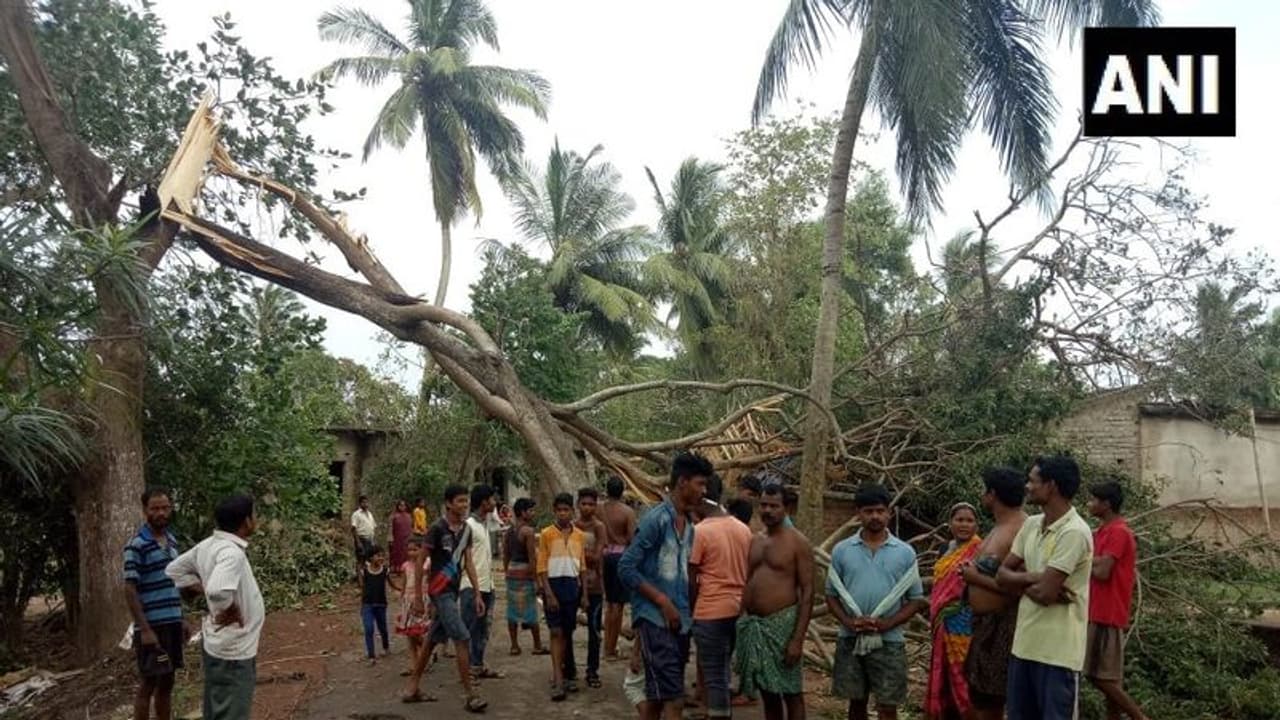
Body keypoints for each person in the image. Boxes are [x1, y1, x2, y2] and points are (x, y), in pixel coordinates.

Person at [996, 456, 1093, 720]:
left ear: (1051, 486)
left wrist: (1024, 580)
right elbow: (1001, 575)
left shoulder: (1074, 532)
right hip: (1024, 647)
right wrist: (1038, 576)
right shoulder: (1030, 524)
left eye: (1033, 481)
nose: (1027, 486)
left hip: (1058, 655)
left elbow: (1045, 594)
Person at [618, 451, 711, 720]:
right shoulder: (656, 520)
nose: (703, 491)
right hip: (654, 621)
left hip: (678, 623)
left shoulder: (690, 527)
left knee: (657, 698)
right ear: (682, 482)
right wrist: (662, 601)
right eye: (700, 484)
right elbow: (626, 567)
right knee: (674, 699)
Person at [826, 484, 926, 720]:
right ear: (858, 513)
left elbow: (915, 600)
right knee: (856, 702)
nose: (875, 516)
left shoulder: (905, 552)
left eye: (880, 511)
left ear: (889, 513)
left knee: (888, 705)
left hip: (889, 641)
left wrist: (887, 623)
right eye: (868, 511)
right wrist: (848, 623)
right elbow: (831, 595)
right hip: (851, 638)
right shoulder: (842, 550)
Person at [165, 494, 264, 720]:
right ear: (246, 521)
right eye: (254, 515)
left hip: (222, 645)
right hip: (233, 651)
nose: (256, 520)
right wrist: (227, 608)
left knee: (217, 708)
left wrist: (200, 587)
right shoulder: (231, 553)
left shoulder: (209, 546)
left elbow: (173, 570)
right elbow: (218, 591)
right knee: (231, 712)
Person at [403, 484, 488, 712]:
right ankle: (470, 694)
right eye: (460, 501)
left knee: (431, 641)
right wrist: (420, 597)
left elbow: (468, 562)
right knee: (462, 637)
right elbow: (421, 561)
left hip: (453, 589)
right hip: (439, 591)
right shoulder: (437, 528)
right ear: (449, 503)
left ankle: (412, 687)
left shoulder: (466, 531)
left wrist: (477, 593)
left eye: (466, 501)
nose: (464, 505)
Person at [735, 484, 813, 720]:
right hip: (755, 626)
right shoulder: (755, 540)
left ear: (786, 508)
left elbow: (808, 591)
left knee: (791, 692)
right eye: (764, 505)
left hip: (783, 627)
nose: (767, 510)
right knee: (768, 692)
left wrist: (797, 639)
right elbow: (746, 580)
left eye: (774, 506)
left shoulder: (798, 542)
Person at [960, 467, 1028, 720]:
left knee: (991, 704)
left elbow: (1020, 587)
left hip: (1004, 627)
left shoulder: (1022, 529)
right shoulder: (999, 527)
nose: (981, 495)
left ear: (993, 494)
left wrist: (975, 578)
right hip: (984, 627)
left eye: (984, 490)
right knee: (979, 701)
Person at [690, 477, 753, 719]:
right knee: (723, 670)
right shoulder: (743, 529)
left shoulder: (701, 531)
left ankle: (717, 714)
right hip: (736, 609)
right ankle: (717, 712)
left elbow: (691, 576)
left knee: (714, 675)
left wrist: (692, 609)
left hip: (709, 609)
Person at [1085, 481, 1147, 720]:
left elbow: (1102, 572)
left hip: (1107, 611)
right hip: (1097, 608)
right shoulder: (1100, 532)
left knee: (1098, 675)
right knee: (1110, 677)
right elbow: (1098, 564)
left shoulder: (1119, 532)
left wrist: (1083, 562)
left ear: (1106, 504)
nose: (1089, 504)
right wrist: (1095, 561)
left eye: (1093, 500)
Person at [125, 488, 184, 720]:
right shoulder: (136, 545)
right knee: (149, 682)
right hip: (152, 626)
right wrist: (145, 630)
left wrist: (182, 618)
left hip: (172, 622)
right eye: (155, 508)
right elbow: (129, 589)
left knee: (168, 680)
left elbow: (175, 583)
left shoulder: (171, 541)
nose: (160, 513)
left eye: (165, 508)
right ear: (145, 510)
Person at [923, 503, 982, 720]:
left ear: (977, 525)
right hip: (942, 622)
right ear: (950, 523)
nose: (964, 525)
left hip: (966, 623)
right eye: (959, 520)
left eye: (969, 520)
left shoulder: (981, 550)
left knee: (964, 679)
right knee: (945, 679)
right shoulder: (944, 549)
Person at [538, 492, 587, 701]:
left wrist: (584, 594)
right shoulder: (546, 534)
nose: (563, 513)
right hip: (554, 586)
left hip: (572, 587)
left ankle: (567, 674)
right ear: (554, 511)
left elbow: (582, 566)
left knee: (566, 632)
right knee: (556, 632)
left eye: (566, 510)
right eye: (559, 510)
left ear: (572, 511)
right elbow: (541, 566)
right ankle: (558, 680)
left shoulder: (579, 535)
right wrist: (548, 593)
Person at [461, 484, 504, 682]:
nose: (495, 503)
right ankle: (469, 668)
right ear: (484, 502)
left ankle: (477, 665)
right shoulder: (468, 526)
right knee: (471, 627)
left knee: (483, 628)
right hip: (471, 586)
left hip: (487, 584)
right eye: (492, 500)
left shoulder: (484, 524)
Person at [503, 498, 546, 656]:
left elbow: (506, 554)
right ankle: (537, 645)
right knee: (531, 610)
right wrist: (536, 580)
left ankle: (514, 645)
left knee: (512, 610)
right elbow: (532, 558)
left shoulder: (509, 531)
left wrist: (507, 572)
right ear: (523, 512)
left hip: (513, 571)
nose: (533, 513)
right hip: (525, 571)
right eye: (531, 510)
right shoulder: (527, 531)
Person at [601, 474, 638, 661]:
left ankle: (607, 645)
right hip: (620, 558)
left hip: (603, 557)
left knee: (609, 604)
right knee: (618, 605)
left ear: (607, 490)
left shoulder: (599, 510)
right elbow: (632, 539)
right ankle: (611, 648)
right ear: (622, 491)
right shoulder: (627, 512)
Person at [575, 486, 608, 688]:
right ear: (578, 505)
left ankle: (592, 671)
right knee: (566, 627)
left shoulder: (599, 527)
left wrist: (579, 555)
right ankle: (567, 669)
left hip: (594, 583)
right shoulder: (572, 525)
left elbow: (597, 556)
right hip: (573, 583)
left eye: (591, 504)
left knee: (594, 631)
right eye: (584, 504)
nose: (587, 507)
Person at [393, 537, 430, 674]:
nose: (411, 553)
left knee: (419, 631)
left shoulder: (427, 565)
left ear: (422, 549)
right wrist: (402, 598)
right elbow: (404, 584)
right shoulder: (406, 566)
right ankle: (414, 663)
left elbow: (430, 582)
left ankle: (425, 656)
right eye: (409, 550)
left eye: (415, 549)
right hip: (408, 600)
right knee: (409, 634)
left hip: (421, 600)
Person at [360, 545, 391, 664]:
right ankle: (371, 655)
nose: (381, 558)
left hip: (381, 604)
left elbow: (391, 584)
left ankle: (386, 647)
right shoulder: (364, 571)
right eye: (378, 555)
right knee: (369, 629)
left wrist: (403, 590)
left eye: (382, 555)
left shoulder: (385, 570)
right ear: (371, 558)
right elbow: (363, 588)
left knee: (383, 627)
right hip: (367, 604)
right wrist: (361, 606)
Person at [351, 495, 377, 578]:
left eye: (366, 502)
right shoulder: (356, 514)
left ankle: (366, 576)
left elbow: (373, 527)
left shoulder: (370, 514)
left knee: (368, 558)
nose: (365, 504)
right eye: (363, 502)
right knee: (360, 559)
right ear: (360, 503)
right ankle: (360, 579)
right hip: (361, 539)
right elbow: (354, 529)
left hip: (369, 539)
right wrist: (358, 542)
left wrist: (373, 540)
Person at [389, 500, 414, 571]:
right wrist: (390, 538)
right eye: (401, 505)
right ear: (398, 506)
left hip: (407, 538)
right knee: (398, 553)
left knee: (407, 553)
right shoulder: (394, 516)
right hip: (397, 539)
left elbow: (411, 527)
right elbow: (390, 528)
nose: (402, 507)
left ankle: (406, 568)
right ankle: (397, 568)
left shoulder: (409, 516)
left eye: (404, 505)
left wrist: (412, 537)